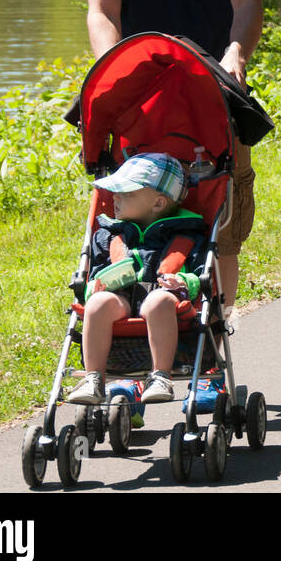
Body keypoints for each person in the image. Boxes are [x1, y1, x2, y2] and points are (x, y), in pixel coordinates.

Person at [83, 0, 263, 323]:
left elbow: (247, 2)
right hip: (137, 98)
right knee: (130, 214)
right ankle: (127, 334)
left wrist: (236, 53)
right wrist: (115, 76)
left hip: (214, 92)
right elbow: (101, 10)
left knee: (220, 218)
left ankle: (216, 335)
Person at [67, 153, 207, 405]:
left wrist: (184, 282)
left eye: (126, 194)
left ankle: (161, 375)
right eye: (116, 192)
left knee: (157, 301)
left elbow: (200, 275)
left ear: (158, 203)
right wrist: (94, 289)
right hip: (121, 299)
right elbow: (96, 272)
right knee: (97, 303)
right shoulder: (109, 235)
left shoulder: (186, 235)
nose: (115, 198)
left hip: (165, 300)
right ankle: (93, 378)